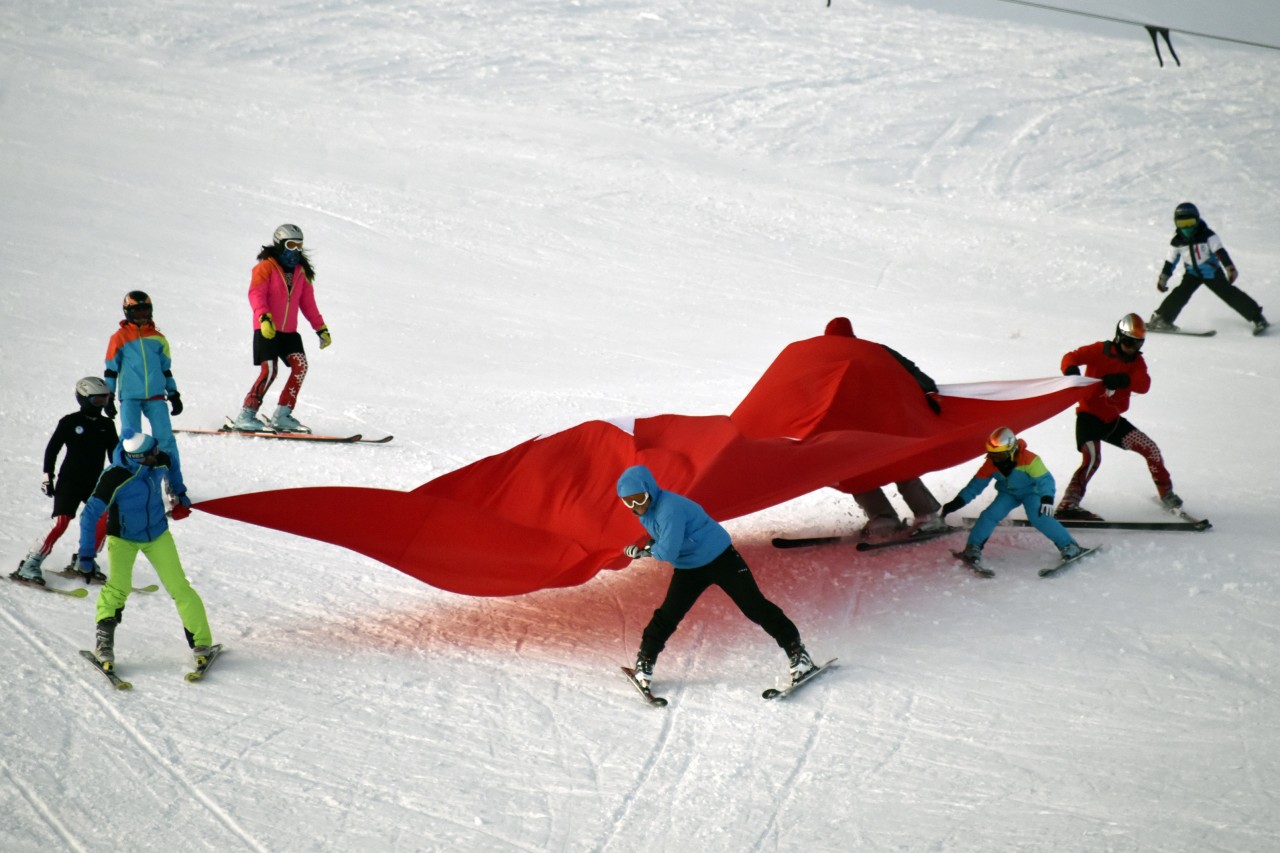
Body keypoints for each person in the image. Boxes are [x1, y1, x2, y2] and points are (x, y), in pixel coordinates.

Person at [617, 464, 816, 689]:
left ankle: (798, 654)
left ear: (650, 490)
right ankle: (645, 662)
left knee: (754, 606)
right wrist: (651, 545)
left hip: (721, 558)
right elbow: (669, 538)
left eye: (639, 498)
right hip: (689, 567)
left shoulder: (669, 508)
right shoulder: (649, 511)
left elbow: (668, 551)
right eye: (628, 501)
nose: (636, 505)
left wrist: (647, 551)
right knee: (668, 615)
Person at [79, 430, 208, 672]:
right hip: (123, 539)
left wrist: (179, 494)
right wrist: (87, 554)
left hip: (157, 534)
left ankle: (202, 645)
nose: (158, 454)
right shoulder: (114, 477)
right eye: (153, 453)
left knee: (180, 587)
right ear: (139, 457)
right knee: (117, 589)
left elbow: (172, 469)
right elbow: (89, 515)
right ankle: (104, 647)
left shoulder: (160, 460)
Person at [822, 317, 945, 539]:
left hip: (873, 424)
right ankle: (919, 514)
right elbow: (913, 370)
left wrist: (928, 392)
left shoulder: (867, 352)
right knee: (886, 466)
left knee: (857, 470)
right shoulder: (872, 351)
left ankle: (888, 517)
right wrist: (928, 391)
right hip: (870, 423)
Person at [1055, 313, 1181, 519]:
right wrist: (1071, 370)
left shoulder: (1136, 362)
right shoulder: (1100, 350)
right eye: (1129, 343)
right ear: (1119, 337)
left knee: (1151, 450)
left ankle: (1166, 493)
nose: (1132, 349)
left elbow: (1144, 385)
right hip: (1089, 418)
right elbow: (1071, 356)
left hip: (1112, 422)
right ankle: (1068, 504)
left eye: (1138, 344)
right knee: (1092, 459)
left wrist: (1124, 379)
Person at [10, 378, 119, 586]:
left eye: (105, 401)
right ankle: (30, 563)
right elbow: (53, 449)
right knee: (62, 521)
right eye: (97, 401)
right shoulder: (70, 422)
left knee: (105, 519)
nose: (102, 406)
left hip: (95, 484)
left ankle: (84, 560)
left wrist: (120, 479)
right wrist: (47, 476)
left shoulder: (107, 425)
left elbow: (115, 455)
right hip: (70, 481)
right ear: (84, 399)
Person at [229, 224, 331, 433]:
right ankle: (246, 415)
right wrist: (264, 317)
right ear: (280, 244)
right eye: (291, 244)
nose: (295, 250)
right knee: (270, 371)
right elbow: (256, 294)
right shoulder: (265, 267)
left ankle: (283, 414)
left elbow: (308, 303)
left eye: (299, 246)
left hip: (289, 332)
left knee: (300, 366)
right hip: (267, 328)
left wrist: (321, 328)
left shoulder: (302, 273)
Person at [940, 427, 1084, 564]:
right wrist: (958, 501)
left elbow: (1045, 480)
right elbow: (976, 485)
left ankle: (1069, 546)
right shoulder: (991, 463)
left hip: (1031, 493)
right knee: (989, 515)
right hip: (1007, 494)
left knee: (1039, 517)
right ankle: (973, 547)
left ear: (1012, 451)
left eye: (1000, 455)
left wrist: (1047, 497)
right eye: (992, 455)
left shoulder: (1030, 459)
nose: (996, 460)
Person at [103, 291, 185, 495]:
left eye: (145, 310)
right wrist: (109, 396)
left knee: (165, 440)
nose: (141, 315)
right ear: (127, 312)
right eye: (136, 310)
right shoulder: (119, 338)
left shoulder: (158, 338)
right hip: (130, 396)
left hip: (156, 397)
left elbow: (166, 368)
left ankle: (174, 484)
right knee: (130, 439)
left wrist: (173, 393)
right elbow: (111, 369)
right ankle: (123, 480)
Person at [1149, 202, 1269, 334]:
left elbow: (1220, 251)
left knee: (1229, 294)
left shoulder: (1207, 235)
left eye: (1190, 222)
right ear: (1176, 223)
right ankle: (1162, 319)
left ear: (1197, 220)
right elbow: (1170, 262)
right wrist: (1164, 278)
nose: (1187, 227)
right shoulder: (1177, 242)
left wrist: (1230, 268)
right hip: (1192, 274)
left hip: (1211, 273)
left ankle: (1257, 318)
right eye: (1182, 224)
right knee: (1180, 294)